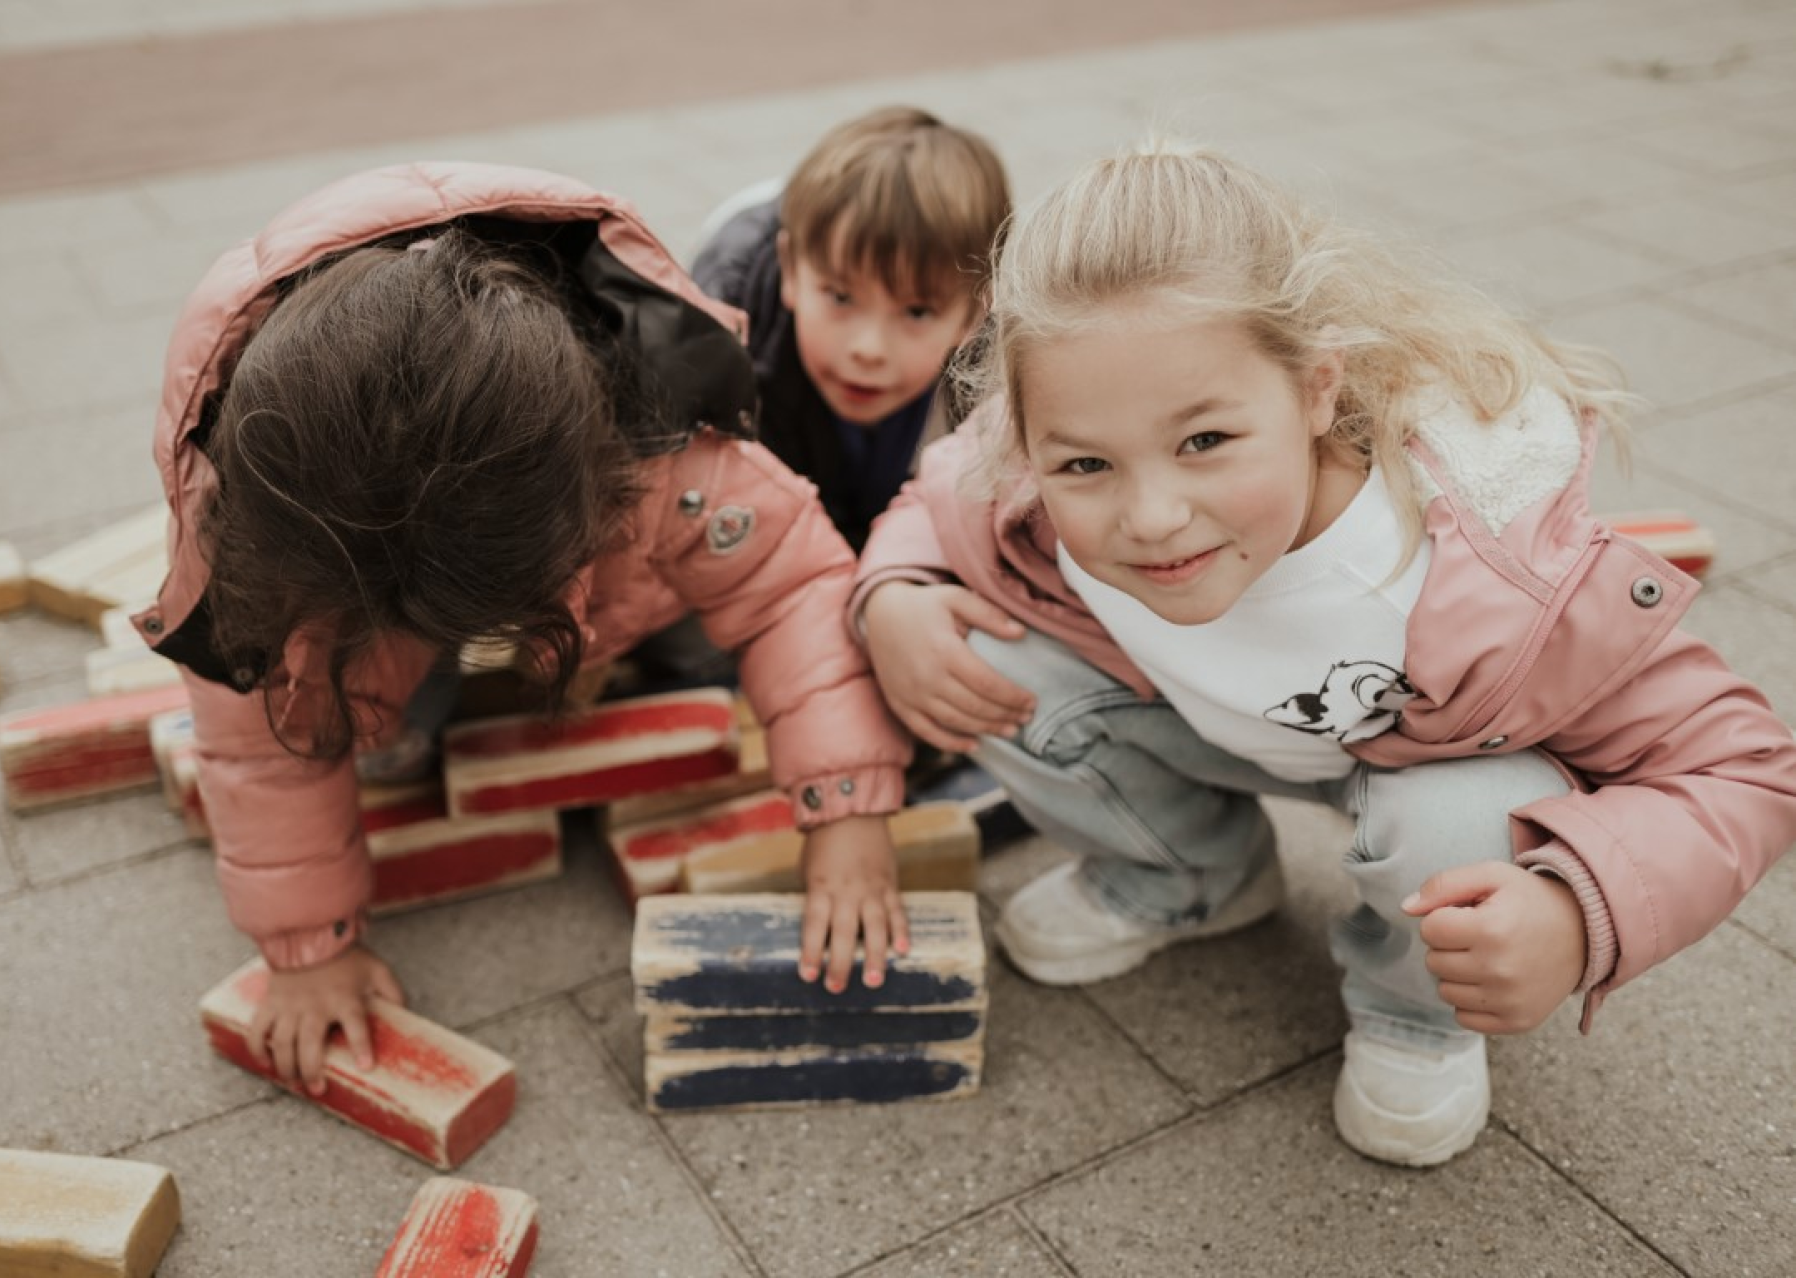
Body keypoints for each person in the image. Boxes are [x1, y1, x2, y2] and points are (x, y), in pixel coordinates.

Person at [851, 139, 1796, 1167]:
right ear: (1028, 443)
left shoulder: (1484, 569)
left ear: (1314, 389)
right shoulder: (1039, 452)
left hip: (1427, 768)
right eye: (1084, 463)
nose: (1154, 516)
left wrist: (1579, 909)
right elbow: (937, 495)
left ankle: (1415, 1012)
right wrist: (895, 593)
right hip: (1205, 729)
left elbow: (1747, 768)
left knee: (1455, 817)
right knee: (991, 665)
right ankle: (1190, 879)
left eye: (1206, 441)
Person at [136, 162, 913, 1095]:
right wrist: (306, 948)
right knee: (327, 700)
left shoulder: (664, 448)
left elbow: (792, 589)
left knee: (707, 647)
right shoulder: (260, 525)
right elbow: (257, 734)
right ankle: (400, 685)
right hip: (370, 585)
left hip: (626, 566)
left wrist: (848, 807)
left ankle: (601, 642)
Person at [690, 105, 1010, 552]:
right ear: (792, 274)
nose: (868, 349)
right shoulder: (716, 356)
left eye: (916, 312)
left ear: (975, 313)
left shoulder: (1009, 383)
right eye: (841, 298)